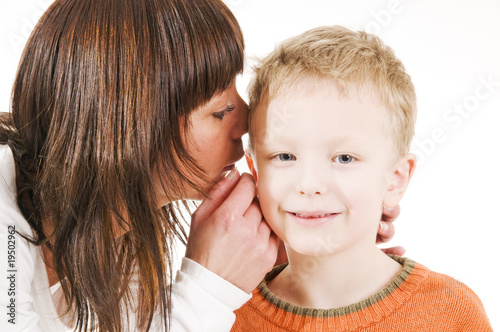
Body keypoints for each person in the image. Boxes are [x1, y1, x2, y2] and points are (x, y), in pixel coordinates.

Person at [0, 1, 399, 331]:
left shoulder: (121, 242)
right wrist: (209, 288)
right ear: (132, 131)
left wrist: (299, 234)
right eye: (220, 111)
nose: (246, 123)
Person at [232, 25, 492, 331]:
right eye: (285, 156)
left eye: (344, 158)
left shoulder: (451, 314)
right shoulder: (223, 312)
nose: (310, 184)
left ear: (395, 179)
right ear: (255, 171)